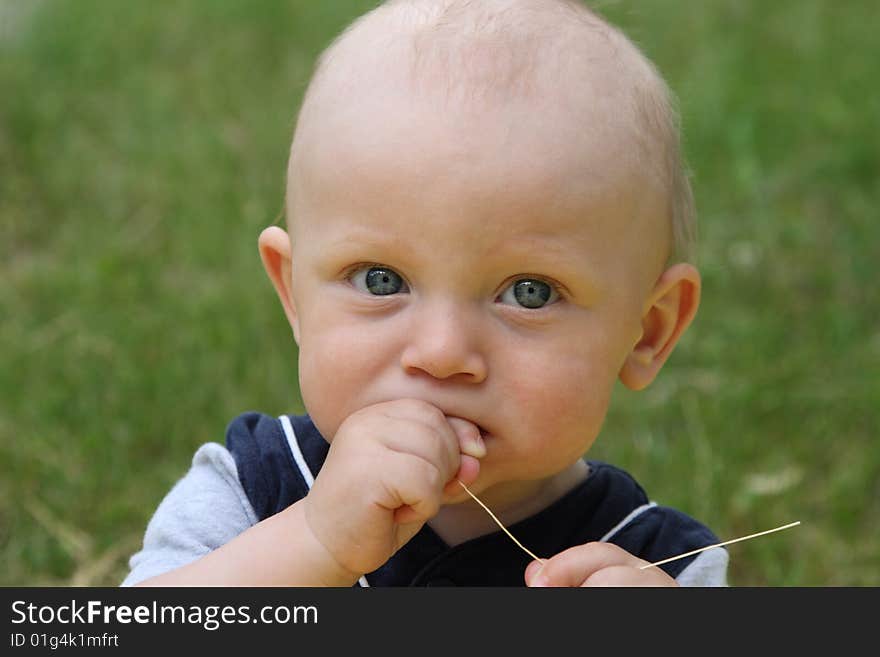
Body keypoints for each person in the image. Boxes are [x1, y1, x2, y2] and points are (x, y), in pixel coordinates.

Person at [123, 0, 728, 587]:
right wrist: (313, 544)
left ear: (647, 332)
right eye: (380, 281)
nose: (440, 353)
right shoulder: (252, 492)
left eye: (529, 292)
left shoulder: (656, 565)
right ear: (294, 293)